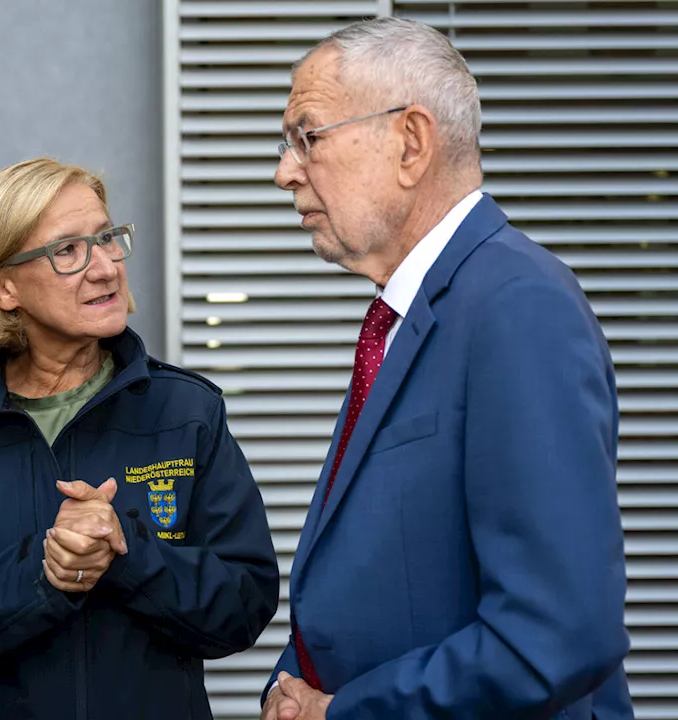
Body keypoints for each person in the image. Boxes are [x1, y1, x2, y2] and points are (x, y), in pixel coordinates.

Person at [260, 17, 632, 720]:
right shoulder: (415, 313)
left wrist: (343, 712)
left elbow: (556, 636)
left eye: (307, 136)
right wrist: (290, 690)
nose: (285, 171)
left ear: (411, 143)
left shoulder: (519, 306)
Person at [0, 157, 279, 719]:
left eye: (107, 238)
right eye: (68, 251)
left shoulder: (187, 411)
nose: (106, 267)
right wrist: (39, 573)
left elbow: (244, 605)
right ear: (1, 285)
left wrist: (128, 554)